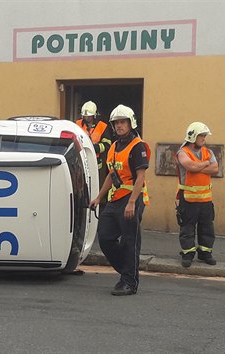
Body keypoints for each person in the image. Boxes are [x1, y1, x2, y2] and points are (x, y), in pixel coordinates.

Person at [89, 104, 149, 296]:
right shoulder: (114, 146)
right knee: (105, 237)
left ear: (131, 123)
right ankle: (126, 271)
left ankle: (129, 282)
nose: (119, 126)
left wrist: (132, 202)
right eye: (116, 123)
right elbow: (110, 174)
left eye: (123, 122)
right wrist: (99, 196)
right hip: (115, 198)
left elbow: (140, 177)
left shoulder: (137, 146)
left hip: (132, 198)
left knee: (130, 241)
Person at [175, 122, 219, 267]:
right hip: (188, 199)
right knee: (187, 227)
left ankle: (205, 253)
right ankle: (188, 254)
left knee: (207, 227)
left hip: (206, 199)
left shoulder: (208, 152)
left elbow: (215, 169)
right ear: (193, 136)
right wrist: (205, 164)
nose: (204, 138)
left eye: (204, 136)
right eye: (201, 135)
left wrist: (199, 166)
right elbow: (190, 166)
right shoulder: (183, 152)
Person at [77, 101, 113, 211]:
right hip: (80, 163)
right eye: (85, 116)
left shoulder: (103, 126)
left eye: (89, 116)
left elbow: (107, 144)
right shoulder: (77, 124)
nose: (87, 118)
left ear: (95, 115)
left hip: (98, 166)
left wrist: (94, 148)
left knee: (98, 189)